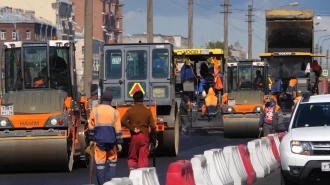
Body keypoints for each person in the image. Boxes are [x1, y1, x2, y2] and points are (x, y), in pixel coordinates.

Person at [88, 91, 123, 185]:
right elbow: (118, 129)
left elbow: (91, 127)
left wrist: (91, 139)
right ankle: (110, 183)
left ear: (102, 99)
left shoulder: (95, 110)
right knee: (112, 163)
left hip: (99, 141)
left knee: (100, 166)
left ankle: (102, 184)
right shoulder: (115, 112)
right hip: (112, 142)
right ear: (111, 100)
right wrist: (119, 142)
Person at [121, 91, 158, 171]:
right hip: (144, 137)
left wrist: (132, 128)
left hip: (134, 136)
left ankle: (133, 174)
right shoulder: (147, 111)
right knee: (143, 159)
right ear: (142, 100)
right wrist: (154, 138)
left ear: (134, 100)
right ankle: (141, 177)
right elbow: (153, 126)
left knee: (132, 158)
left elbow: (123, 120)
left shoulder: (130, 111)